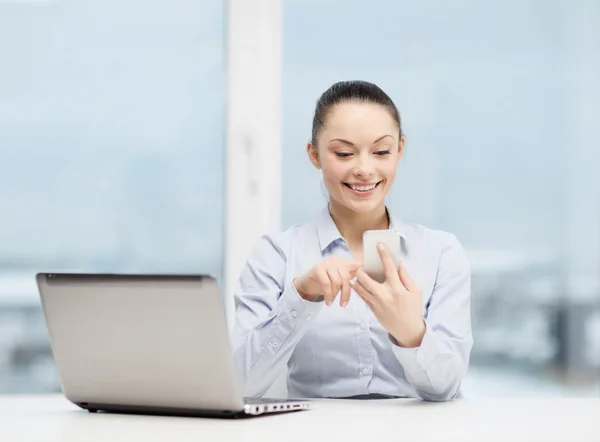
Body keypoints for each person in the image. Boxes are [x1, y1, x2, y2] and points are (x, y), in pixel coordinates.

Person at [232, 80, 472, 401]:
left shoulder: (441, 253)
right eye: (344, 153)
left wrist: (410, 332)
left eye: (381, 152)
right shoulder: (276, 254)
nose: (364, 169)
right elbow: (240, 385)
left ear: (400, 150)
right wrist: (300, 297)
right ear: (314, 154)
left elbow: (447, 387)